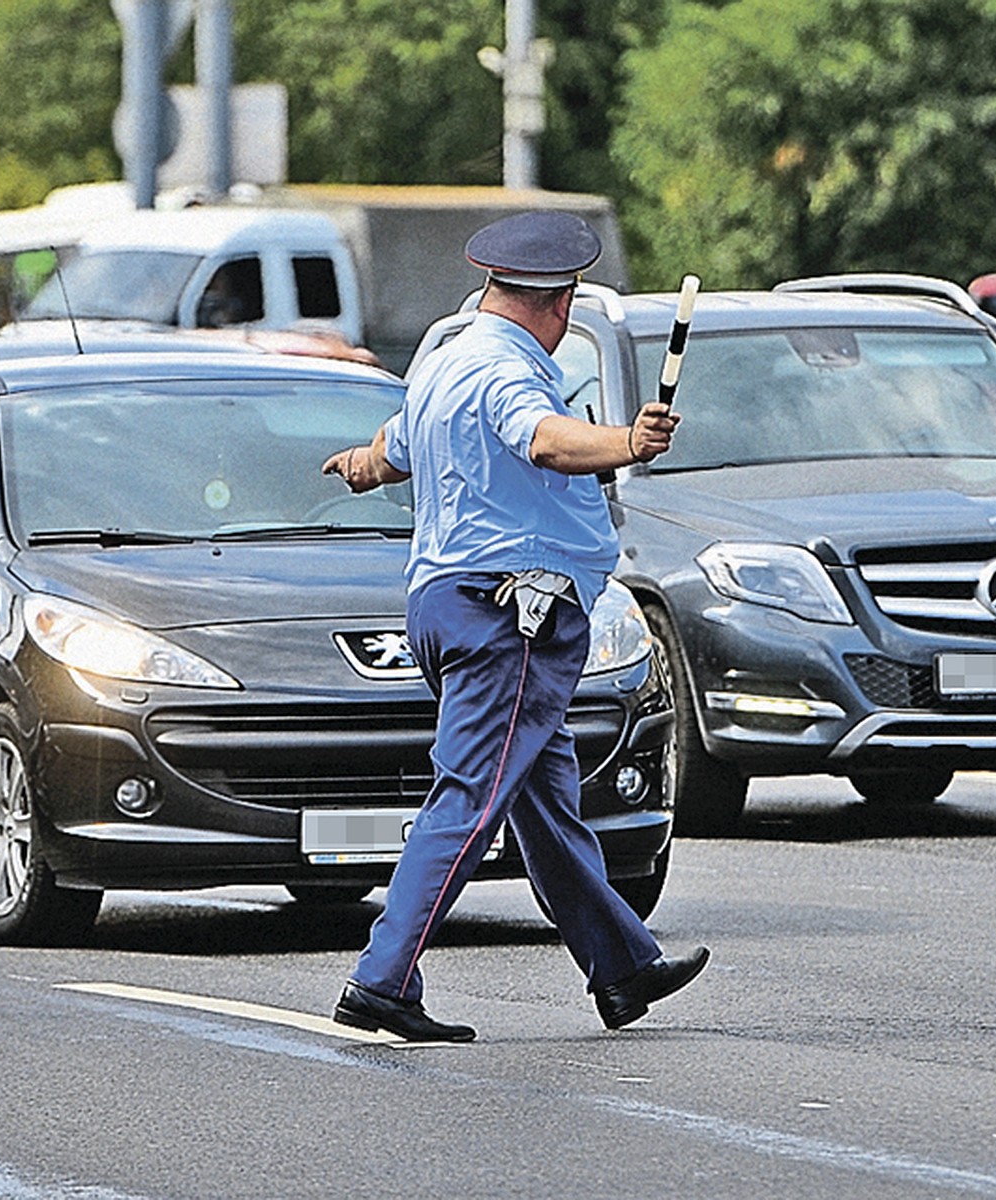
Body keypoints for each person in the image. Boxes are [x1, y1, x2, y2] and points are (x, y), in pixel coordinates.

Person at [320, 210, 708, 1043]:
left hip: (446, 603)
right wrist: (626, 442)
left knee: (545, 798)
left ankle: (622, 967)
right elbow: (546, 442)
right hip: (512, 616)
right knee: (467, 795)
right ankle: (381, 978)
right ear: (558, 303)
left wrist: (356, 467)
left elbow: (390, 454)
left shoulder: (442, 357)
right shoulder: (509, 373)